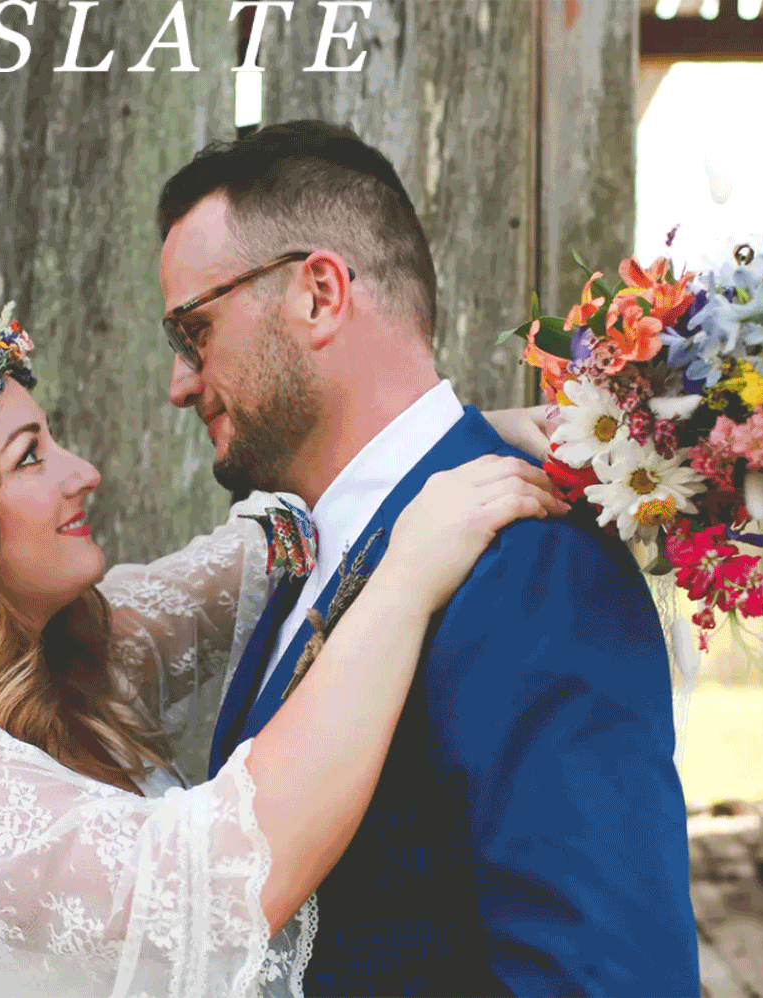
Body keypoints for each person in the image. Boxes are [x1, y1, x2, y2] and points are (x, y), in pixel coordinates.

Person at [0, 308, 567, 998]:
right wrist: (409, 574)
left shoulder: (59, 664)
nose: (81, 471)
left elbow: (257, 549)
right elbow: (213, 885)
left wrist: (446, 450)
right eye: (32, 457)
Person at [157, 119, 701, 997]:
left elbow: (603, 978)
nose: (180, 381)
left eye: (195, 330)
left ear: (319, 294)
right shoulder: (314, 552)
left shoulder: (534, 566)